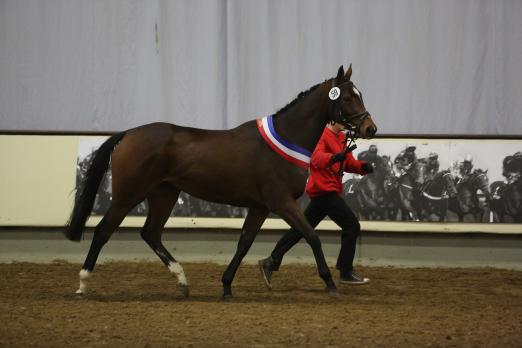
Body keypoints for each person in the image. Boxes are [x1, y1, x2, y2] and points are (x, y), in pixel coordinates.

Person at [258, 121, 374, 288]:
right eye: (342, 121)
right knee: (352, 226)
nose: (345, 124)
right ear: (332, 121)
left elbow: (347, 163)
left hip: (326, 193)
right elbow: (316, 158)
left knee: (300, 229)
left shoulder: (341, 137)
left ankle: (271, 261)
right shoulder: (321, 136)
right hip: (325, 191)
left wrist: (362, 167)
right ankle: (346, 271)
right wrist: (334, 157)